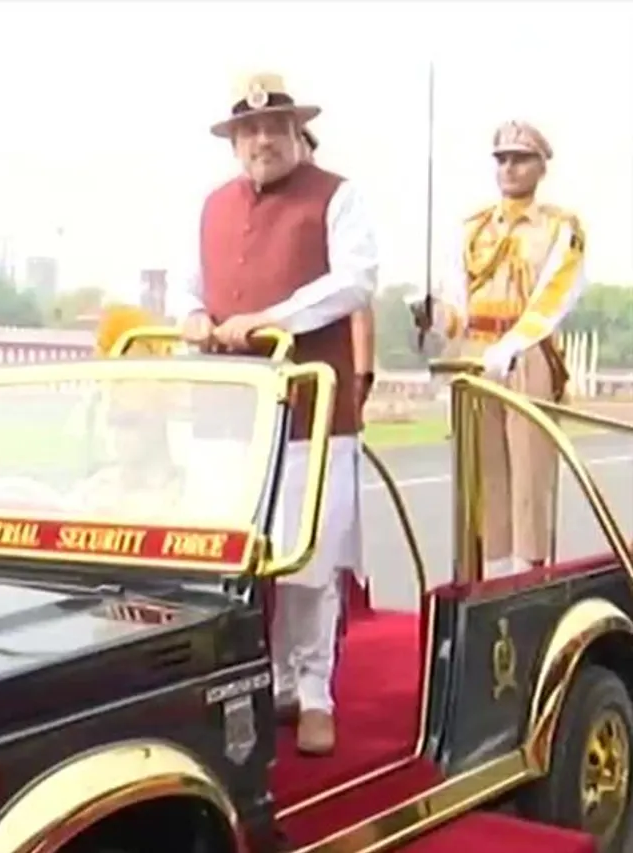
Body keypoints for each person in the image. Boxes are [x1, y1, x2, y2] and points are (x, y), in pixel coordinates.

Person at [180, 72, 379, 755]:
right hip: (228, 415)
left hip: (307, 412)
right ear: (234, 142)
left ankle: (312, 687)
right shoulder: (211, 206)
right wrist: (195, 316)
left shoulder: (335, 195)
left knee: (308, 558)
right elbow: (188, 286)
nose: (262, 140)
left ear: (298, 132)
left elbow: (356, 279)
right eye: (249, 131)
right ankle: (248, 682)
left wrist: (272, 318)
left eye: (275, 127)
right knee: (228, 558)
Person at [410, 121, 587, 578]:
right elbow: (458, 305)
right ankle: (493, 570)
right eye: (502, 159)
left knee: (530, 470)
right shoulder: (473, 229)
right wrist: (435, 315)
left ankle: (528, 574)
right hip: (476, 351)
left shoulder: (560, 228)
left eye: (520, 159)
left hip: (527, 352)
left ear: (541, 167)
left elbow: (554, 298)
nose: (509, 168)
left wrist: (510, 346)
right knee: (484, 471)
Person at [300, 128, 374, 631]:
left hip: (328, 392)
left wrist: (362, 372)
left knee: (326, 536)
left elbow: (358, 304)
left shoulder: (332, 202)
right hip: (269, 405)